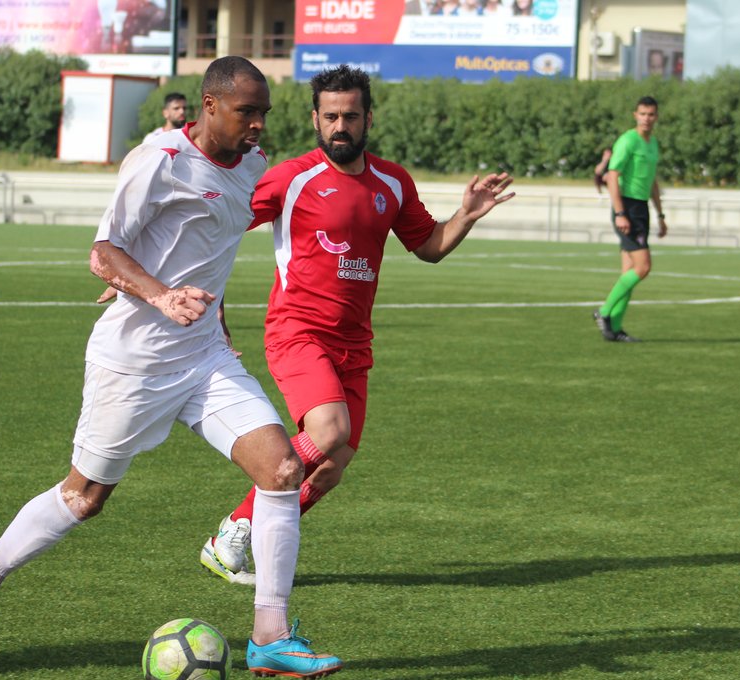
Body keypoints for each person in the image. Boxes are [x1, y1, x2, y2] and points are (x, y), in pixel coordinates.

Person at [0, 56, 342, 680]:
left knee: (283, 469)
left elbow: (209, 251)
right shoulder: (159, 159)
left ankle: (270, 636)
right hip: (133, 361)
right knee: (84, 498)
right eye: (247, 112)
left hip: (205, 357)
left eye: (264, 113)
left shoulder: (253, 166)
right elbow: (104, 252)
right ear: (209, 106)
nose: (258, 124)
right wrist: (159, 295)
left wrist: (214, 317)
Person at [197, 64, 515, 586]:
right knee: (329, 431)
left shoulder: (392, 181)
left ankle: (244, 541)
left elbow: (428, 245)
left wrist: (467, 215)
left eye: (350, 116)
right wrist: (179, 289)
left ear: (369, 118)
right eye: (330, 117)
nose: (340, 126)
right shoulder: (291, 178)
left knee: (332, 464)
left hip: (354, 344)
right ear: (315, 120)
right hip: (297, 331)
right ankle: (233, 532)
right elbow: (215, 232)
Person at [593, 95, 667, 343]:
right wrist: (620, 213)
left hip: (641, 208)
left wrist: (661, 215)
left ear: (656, 117)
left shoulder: (652, 143)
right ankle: (604, 312)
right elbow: (612, 176)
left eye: (651, 114)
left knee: (629, 271)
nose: (647, 118)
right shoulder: (627, 140)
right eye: (642, 114)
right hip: (627, 207)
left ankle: (614, 328)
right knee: (643, 267)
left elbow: (652, 181)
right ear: (635, 115)